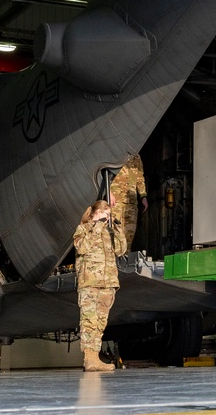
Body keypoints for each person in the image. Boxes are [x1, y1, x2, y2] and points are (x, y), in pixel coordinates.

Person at [74, 199, 127, 372]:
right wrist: (97, 226)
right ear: (97, 212)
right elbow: (82, 248)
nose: (108, 218)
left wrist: (118, 230)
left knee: (101, 323)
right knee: (89, 320)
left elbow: (121, 250)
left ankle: (94, 358)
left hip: (107, 283)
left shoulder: (109, 232)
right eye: (106, 214)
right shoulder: (83, 229)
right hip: (90, 282)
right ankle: (89, 358)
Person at [109, 154, 148, 253]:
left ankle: (125, 262)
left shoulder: (137, 157)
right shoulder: (116, 150)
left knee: (129, 234)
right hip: (115, 200)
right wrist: (108, 192)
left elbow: (140, 177)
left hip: (131, 201)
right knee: (113, 232)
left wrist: (143, 196)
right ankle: (112, 262)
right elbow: (104, 171)